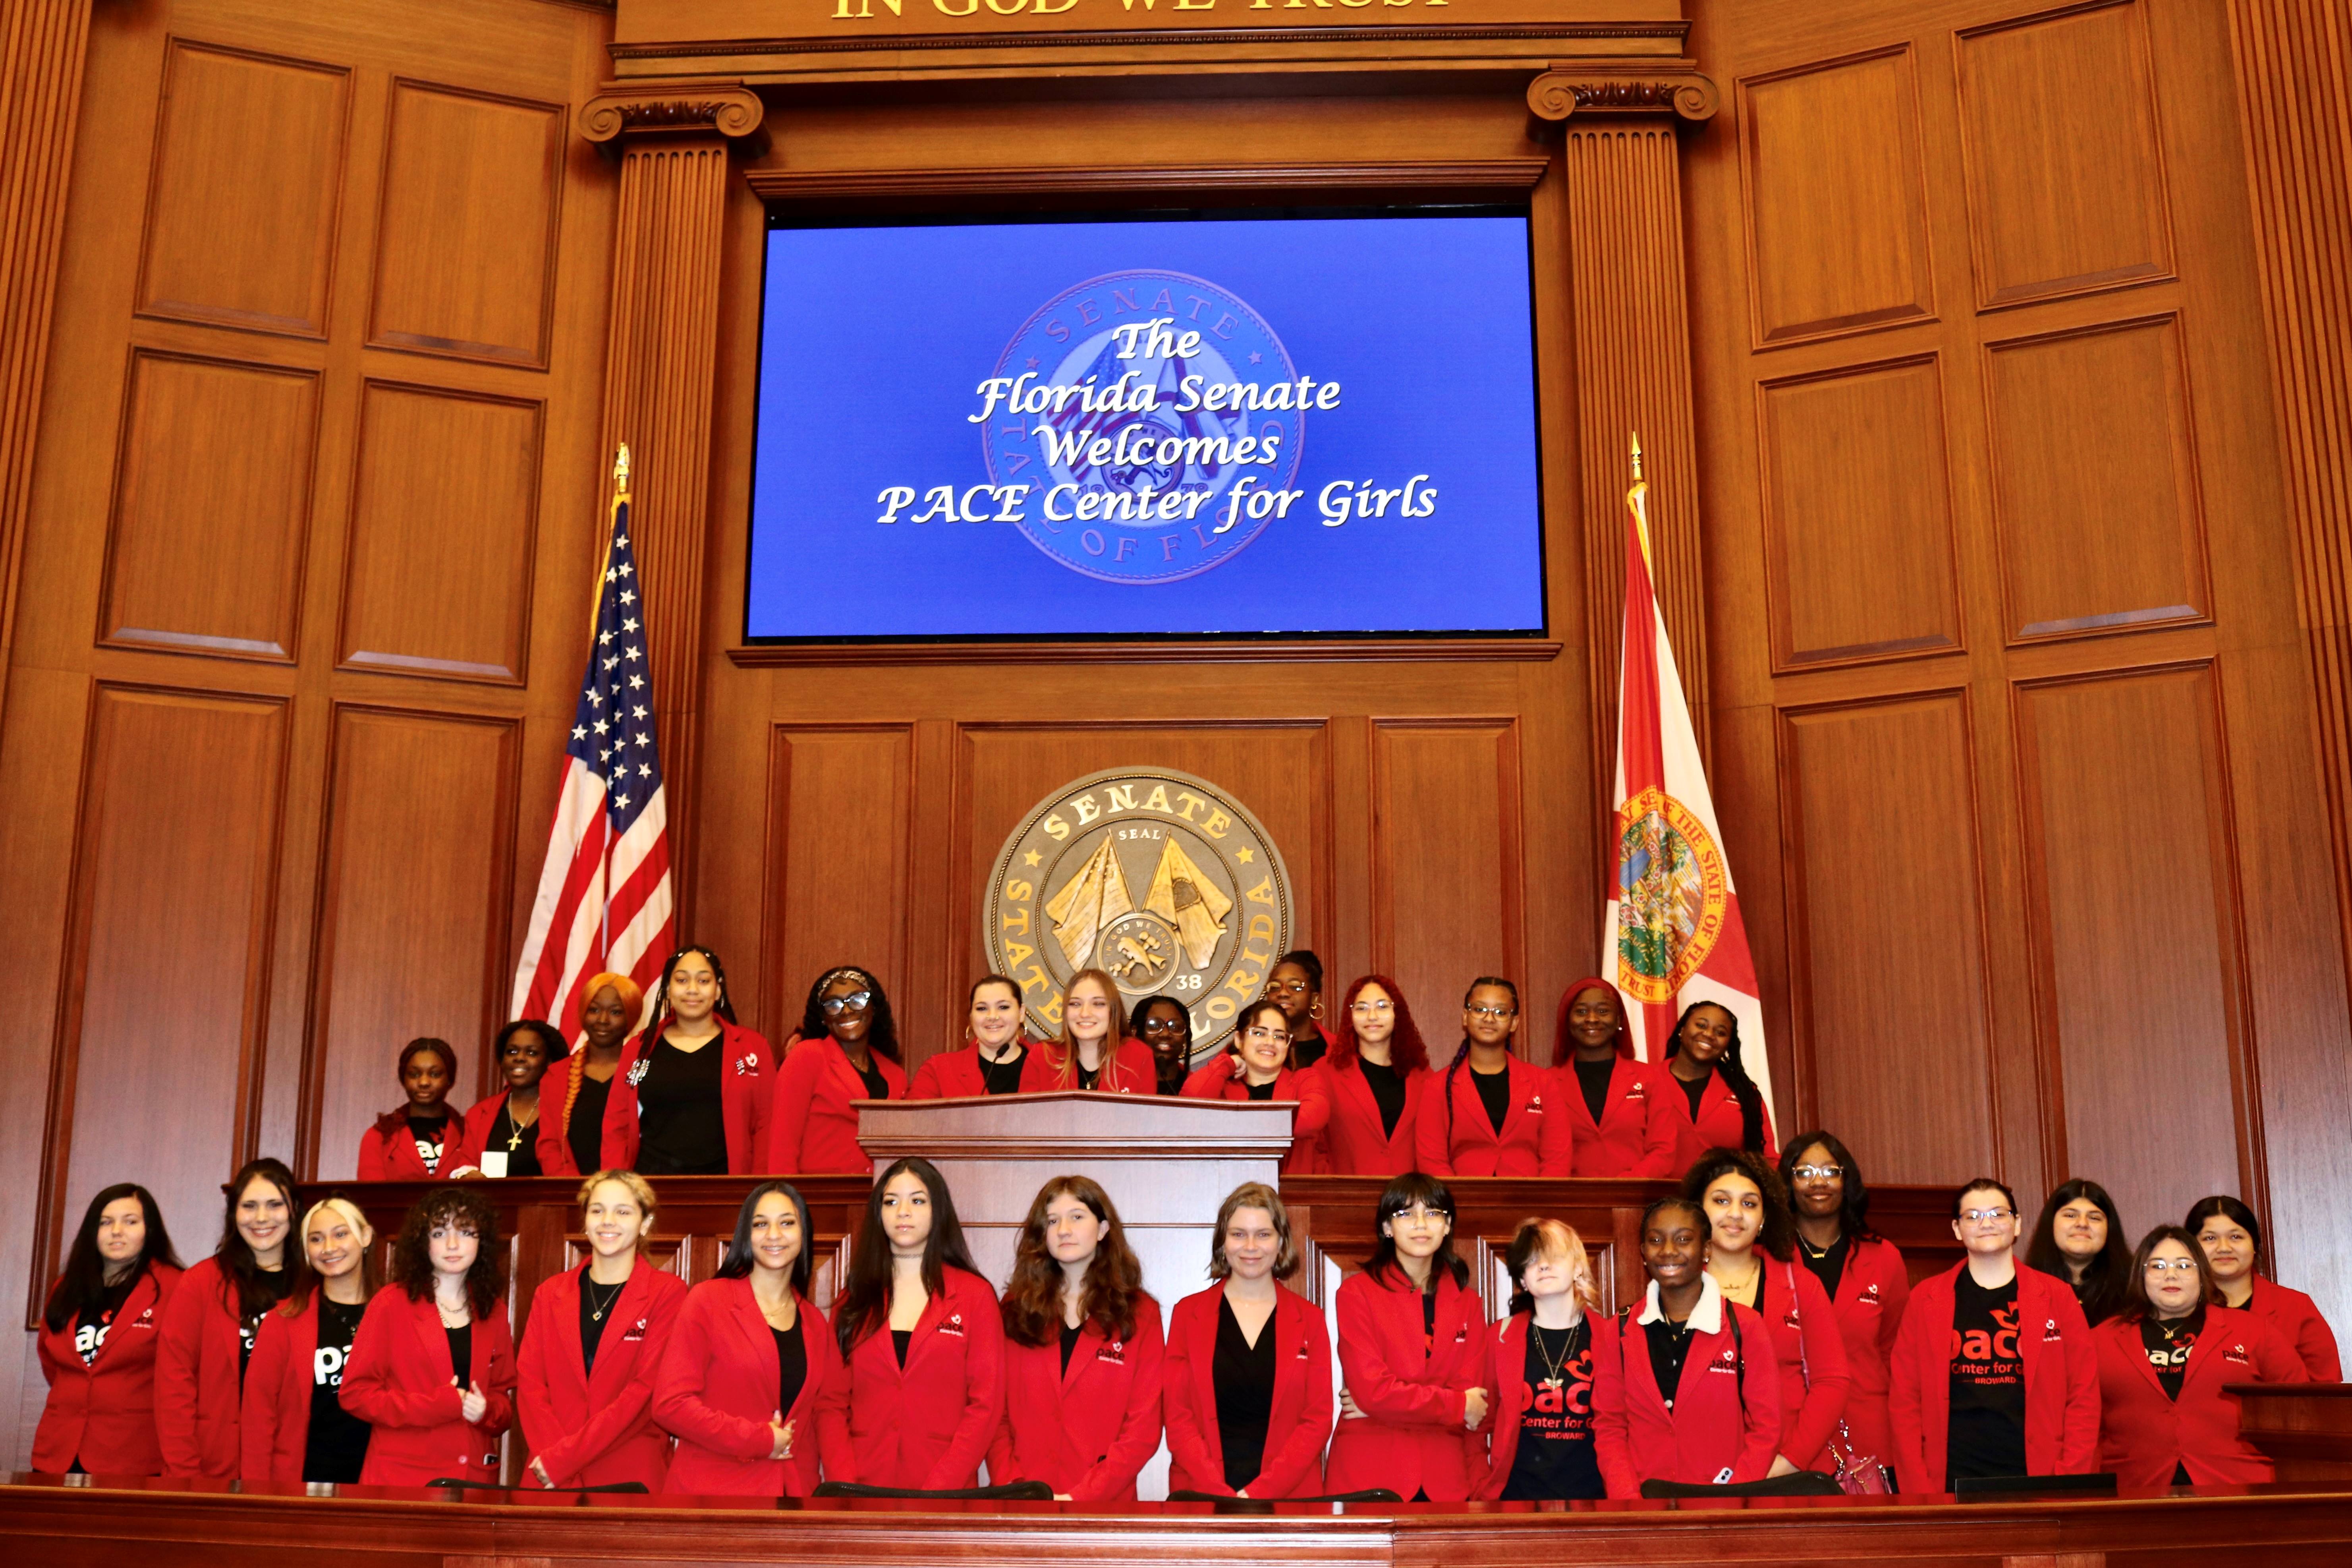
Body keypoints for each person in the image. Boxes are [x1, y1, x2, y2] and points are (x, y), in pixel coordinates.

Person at [1887, 1178, 2099, 1492]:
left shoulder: (2058, 1296)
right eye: (1973, 1217)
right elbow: (1905, 1400)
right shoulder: (1925, 1299)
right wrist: (1919, 1487)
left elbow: (2084, 1395)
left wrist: (2068, 1477)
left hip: (2039, 1477)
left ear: (2017, 1225)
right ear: (1958, 1229)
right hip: (1949, 1479)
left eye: (1998, 1214)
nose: (1986, 1224)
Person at [818, 1157, 1005, 1487]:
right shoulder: (853, 1298)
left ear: (938, 1211)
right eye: (891, 1202)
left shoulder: (975, 1296)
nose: (903, 1211)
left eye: (917, 1200)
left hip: (945, 1492)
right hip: (862, 1488)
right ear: (879, 1214)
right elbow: (831, 1403)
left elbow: (985, 1406)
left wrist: (940, 1487)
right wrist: (845, 1484)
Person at [654, 1180, 841, 1496]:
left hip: (792, 1501)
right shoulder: (708, 1300)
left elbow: (818, 1422)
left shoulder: (815, 1323)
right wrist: (759, 1440)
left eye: (787, 1223)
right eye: (760, 1224)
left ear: (804, 1233)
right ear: (746, 1235)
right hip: (712, 1498)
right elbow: (670, 1405)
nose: (774, 1234)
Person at [989, 1176, 1165, 1501]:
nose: (1064, 1230)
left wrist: (1084, 1496)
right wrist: (1018, 1490)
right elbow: (994, 1414)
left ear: (1102, 1230)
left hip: (1105, 1509)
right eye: (1053, 1220)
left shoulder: (1141, 1314)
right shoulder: (1013, 1310)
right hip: (1020, 1505)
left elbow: (1143, 1428)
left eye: (1077, 1217)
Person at [1591, 1197, 1782, 1495]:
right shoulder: (1617, 1329)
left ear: (1706, 1249)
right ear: (1643, 1252)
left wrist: (1732, 1498)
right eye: (1656, 1240)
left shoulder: (1746, 1326)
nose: (1668, 1251)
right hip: (1644, 1509)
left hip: (1724, 1511)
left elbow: (1767, 1428)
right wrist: (1629, 1501)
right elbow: (1609, 1427)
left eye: (1683, 1240)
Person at [2094, 1224, 2306, 1489]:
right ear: (2141, 1275)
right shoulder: (2102, 1339)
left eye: (2184, 1266)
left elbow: (2299, 1409)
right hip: (2135, 1490)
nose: (2171, 1276)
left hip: (2238, 1488)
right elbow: (2084, 1424)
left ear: (2202, 1274)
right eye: (2158, 1267)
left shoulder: (2254, 1331)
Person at [1682, 1149, 1850, 1474]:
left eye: (1749, 1204)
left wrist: (1788, 1462)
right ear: (1697, 1212)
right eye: (1721, 1201)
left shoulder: (1802, 1285)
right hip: (1700, 1474)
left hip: (1790, 1472)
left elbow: (1832, 1382)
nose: (1735, 1214)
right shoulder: (1674, 1286)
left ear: (1764, 1218)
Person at [517, 1170, 688, 1489]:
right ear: (585, 1220)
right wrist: (555, 1458)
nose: (608, 1220)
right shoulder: (550, 1293)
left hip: (626, 1476)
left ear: (645, 1223)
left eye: (623, 1212)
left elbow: (644, 1392)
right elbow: (530, 1385)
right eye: (597, 1210)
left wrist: (568, 1457)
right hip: (548, 1473)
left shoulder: (668, 1293)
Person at [1163, 1182, 1334, 1498]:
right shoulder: (1188, 1314)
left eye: (1264, 1234)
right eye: (1239, 1234)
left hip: (1289, 1499)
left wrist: (1260, 1493)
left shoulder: (1310, 1320)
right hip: (1202, 1496)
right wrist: (1220, 1493)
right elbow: (1177, 1417)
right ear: (1223, 1243)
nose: (1251, 1246)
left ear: (1282, 1242)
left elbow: (1318, 1419)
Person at [339, 1186, 516, 1486]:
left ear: (481, 1241)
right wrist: (436, 1405)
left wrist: (487, 1412)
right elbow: (355, 1395)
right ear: (423, 1243)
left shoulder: (494, 1311)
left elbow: (503, 1402)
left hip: (473, 1479)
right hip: (404, 1479)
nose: (452, 1244)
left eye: (465, 1232)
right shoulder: (391, 1304)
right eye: (438, 1234)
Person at [1326, 1173, 1488, 1501]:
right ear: (1387, 1228)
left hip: (1446, 1478)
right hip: (1370, 1474)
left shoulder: (1468, 1302)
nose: (1420, 1224)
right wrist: (1456, 1405)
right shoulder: (1356, 1294)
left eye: (1433, 1213)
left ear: (1448, 1226)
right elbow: (1374, 1391)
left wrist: (1388, 1402)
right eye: (1405, 1214)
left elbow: (1474, 1395)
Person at [155, 1157, 307, 1478]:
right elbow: (174, 1387)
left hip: (294, 1469)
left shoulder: (314, 1286)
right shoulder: (200, 1283)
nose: (262, 1218)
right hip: (211, 1468)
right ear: (233, 1213)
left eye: (275, 1205)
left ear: (294, 1208)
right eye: (249, 1206)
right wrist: (186, 1474)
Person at [1778, 1132, 1910, 1483]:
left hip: (1868, 1435)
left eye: (1830, 1171)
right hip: (1792, 1436)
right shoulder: (1767, 1259)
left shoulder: (1884, 1258)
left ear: (1846, 1180)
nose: (1818, 1182)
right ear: (1786, 1184)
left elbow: (1894, 1354)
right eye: (1803, 1172)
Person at [33, 1184, 182, 1475]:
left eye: (130, 1222)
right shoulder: (65, 1287)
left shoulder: (175, 1287)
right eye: (105, 1222)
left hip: (132, 1456)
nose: (117, 1231)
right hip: (58, 1452)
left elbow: (185, 1374)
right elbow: (51, 1360)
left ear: (150, 1230)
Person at [239, 1198, 377, 1483]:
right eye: (316, 1239)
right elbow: (258, 1415)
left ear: (366, 1237)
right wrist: (256, 1491)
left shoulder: (397, 1313)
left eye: (341, 1234)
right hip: (304, 1481)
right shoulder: (282, 1321)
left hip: (380, 1481)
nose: (329, 1248)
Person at [604, 945, 772, 1175]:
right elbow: (617, 1126)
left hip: (728, 1190)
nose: (692, 990)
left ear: (718, 990)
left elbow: (766, 1125)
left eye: (704, 981)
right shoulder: (639, 1048)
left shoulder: (753, 1047)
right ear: (668, 989)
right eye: (682, 980)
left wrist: (758, 1188)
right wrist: (615, 1186)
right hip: (650, 1190)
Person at [1475, 1218, 1605, 1500]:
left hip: (1594, 1502)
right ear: (1522, 1278)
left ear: (1579, 1267)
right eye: (1532, 1261)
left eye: (1554, 1256)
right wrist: (1481, 1488)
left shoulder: (1609, 1337)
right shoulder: (1499, 1337)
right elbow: (1478, 1424)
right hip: (1515, 1502)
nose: (1543, 1266)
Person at [1414, 977, 1572, 1177]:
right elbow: (1432, 1161)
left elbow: (1557, 1157)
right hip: (1462, 1201)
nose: (1489, 1019)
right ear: (1465, 1017)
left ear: (1514, 1023)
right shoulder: (1437, 1087)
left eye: (1501, 1012)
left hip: (1532, 1201)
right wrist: (1456, 1203)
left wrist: (1541, 1203)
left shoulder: (1543, 1083)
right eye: (1479, 1010)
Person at [763, 965, 907, 1173]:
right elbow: (782, 1145)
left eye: (857, 1001)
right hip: (821, 1197)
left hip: (881, 1196)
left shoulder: (896, 1075)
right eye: (833, 1005)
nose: (847, 1011)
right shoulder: (806, 1056)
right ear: (823, 1017)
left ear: (874, 1007)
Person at [2187, 1195, 2341, 1381]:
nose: (2224, 1248)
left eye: (2236, 1237)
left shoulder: (2296, 1307)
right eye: (2210, 1238)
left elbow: (2327, 1392)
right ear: (2191, 1249)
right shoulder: (2176, 1309)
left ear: (2255, 1246)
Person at [1181, 997, 1332, 1175]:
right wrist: (1229, 1063)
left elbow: (1310, 1121)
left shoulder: (1306, 1079)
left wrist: (1234, 1123)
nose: (1270, 1042)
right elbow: (1189, 1105)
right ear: (1239, 1040)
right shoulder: (1224, 1086)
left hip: (1295, 1195)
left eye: (1279, 1036)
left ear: (1288, 1045)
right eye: (1260, 1033)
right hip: (1230, 1191)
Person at [1553, 977, 1675, 1178]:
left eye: (1603, 1011)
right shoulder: (1547, 1082)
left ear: (1619, 1020)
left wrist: (1623, 1188)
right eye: (1581, 1011)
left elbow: (1663, 1151)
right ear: (1567, 1021)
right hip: (1571, 1202)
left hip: (1635, 1199)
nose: (1592, 1019)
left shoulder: (1650, 1078)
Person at [1315, 975, 1433, 1176]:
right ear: (1350, 1016)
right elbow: (1316, 1146)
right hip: (1348, 1196)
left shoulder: (1423, 1076)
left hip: (1408, 1200)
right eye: (1361, 1008)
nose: (1372, 1016)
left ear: (1397, 1013)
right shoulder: (1325, 1073)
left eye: (1382, 1007)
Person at [537, 973, 639, 1178]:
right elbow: (550, 1145)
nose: (603, 1020)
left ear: (632, 1017)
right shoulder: (556, 1077)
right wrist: (573, 1188)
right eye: (594, 1010)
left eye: (616, 1012)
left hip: (632, 1192)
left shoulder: (644, 1071)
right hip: (571, 1194)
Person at [1656, 1002, 1775, 1172]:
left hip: (1723, 1196)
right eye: (1701, 1025)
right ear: (1682, 1030)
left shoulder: (1746, 1093)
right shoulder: (1646, 1081)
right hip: (1653, 1196)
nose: (1709, 1034)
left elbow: (1767, 1158)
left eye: (1721, 1032)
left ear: (1728, 1044)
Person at [356, 1039, 479, 1180]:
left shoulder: (469, 1133)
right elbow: (371, 1197)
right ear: (404, 1080)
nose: (424, 1082)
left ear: (450, 1079)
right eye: (414, 1075)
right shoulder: (379, 1136)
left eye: (435, 1074)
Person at [456, 1021, 564, 1178]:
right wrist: (467, 1175)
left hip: (549, 1202)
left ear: (549, 1061)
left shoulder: (565, 1110)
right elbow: (465, 1166)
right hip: (490, 1201)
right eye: (512, 1052)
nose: (519, 1058)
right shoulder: (479, 1114)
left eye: (532, 1053)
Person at [1021, 968, 1154, 1092]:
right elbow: (1026, 1115)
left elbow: (1147, 1116)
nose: (1085, 1013)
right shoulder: (1042, 1056)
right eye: (1075, 1004)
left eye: (1098, 1004)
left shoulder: (1139, 1055)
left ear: (1113, 1011)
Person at [2025, 1180, 2134, 1327]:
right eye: (2070, 1216)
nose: (2082, 1224)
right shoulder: (2025, 1289)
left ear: (2110, 1229)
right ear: (2050, 1224)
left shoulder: (2134, 1290)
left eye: (2094, 1218)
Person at [910, 974, 1031, 1098]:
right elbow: (915, 1117)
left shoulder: (1050, 1068)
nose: (993, 1016)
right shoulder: (938, 1071)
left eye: (1003, 1007)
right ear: (971, 1017)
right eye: (982, 1009)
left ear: (1021, 1013)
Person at [1266, 951, 1330, 1070]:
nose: (1283, 993)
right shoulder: (1250, 1048)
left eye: (1295, 987)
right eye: (1275, 987)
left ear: (1314, 998)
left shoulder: (1336, 1053)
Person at [1134, 995, 1194, 1097]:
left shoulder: (1197, 1086)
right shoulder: (1117, 1083)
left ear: (1185, 1038)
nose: (1165, 1034)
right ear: (1135, 1033)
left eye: (1175, 1027)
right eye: (1154, 1026)